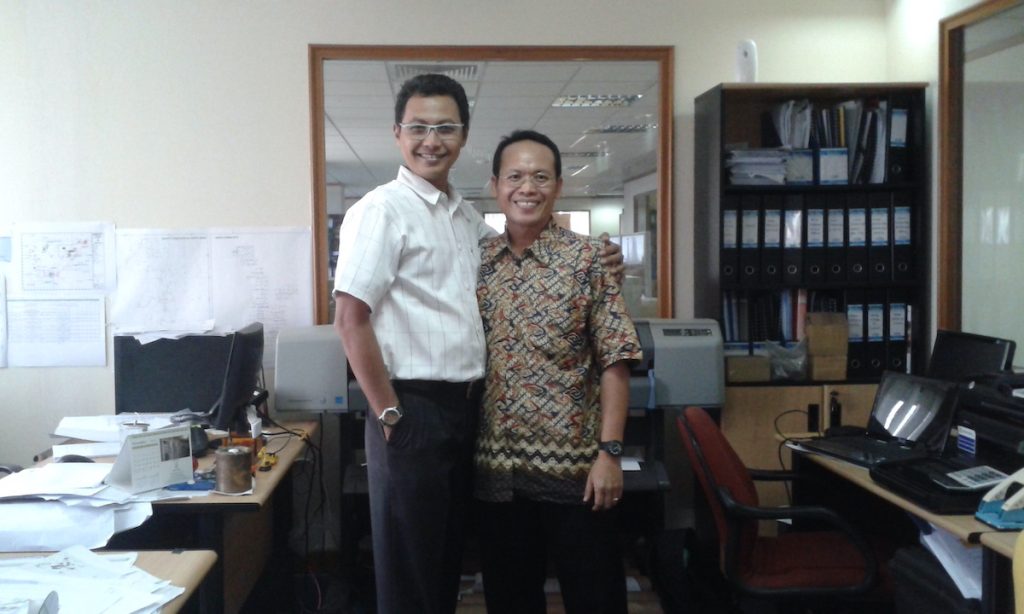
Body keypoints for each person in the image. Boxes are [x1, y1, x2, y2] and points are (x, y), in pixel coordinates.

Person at [332, 75, 622, 614]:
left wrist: (599, 258)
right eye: (418, 127)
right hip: (412, 407)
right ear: (397, 133)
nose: (432, 140)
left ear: (463, 136)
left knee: (445, 563)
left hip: (470, 413)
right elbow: (350, 320)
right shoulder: (381, 210)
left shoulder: (463, 217)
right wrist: (390, 414)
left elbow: (525, 249)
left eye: (445, 128)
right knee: (412, 570)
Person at [473, 129, 642, 614]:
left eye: (541, 177)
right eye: (515, 177)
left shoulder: (589, 261)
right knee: (510, 600)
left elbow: (615, 360)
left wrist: (610, 453)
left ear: (559, 187)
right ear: (495, 186)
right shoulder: (477, 264)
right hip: (497, 473)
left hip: (577, 473)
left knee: (595, 598)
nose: (527, 188)